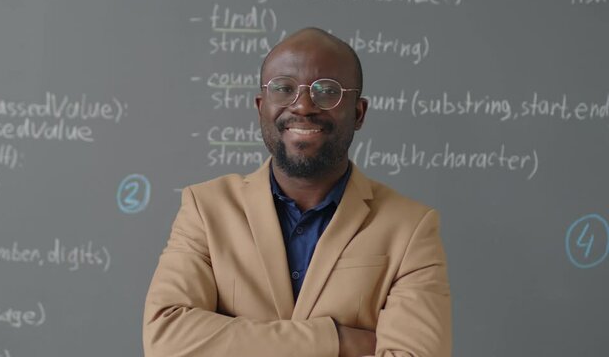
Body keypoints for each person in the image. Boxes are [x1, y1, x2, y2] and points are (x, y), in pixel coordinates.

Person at [143, 27, 451, 357]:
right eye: (284, 88)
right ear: (262, 106)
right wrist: (336, 340)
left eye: (327, 91)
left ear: (358, 113)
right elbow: (166, 339)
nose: (303, 106)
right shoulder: (206, 209)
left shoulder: (411, 227)